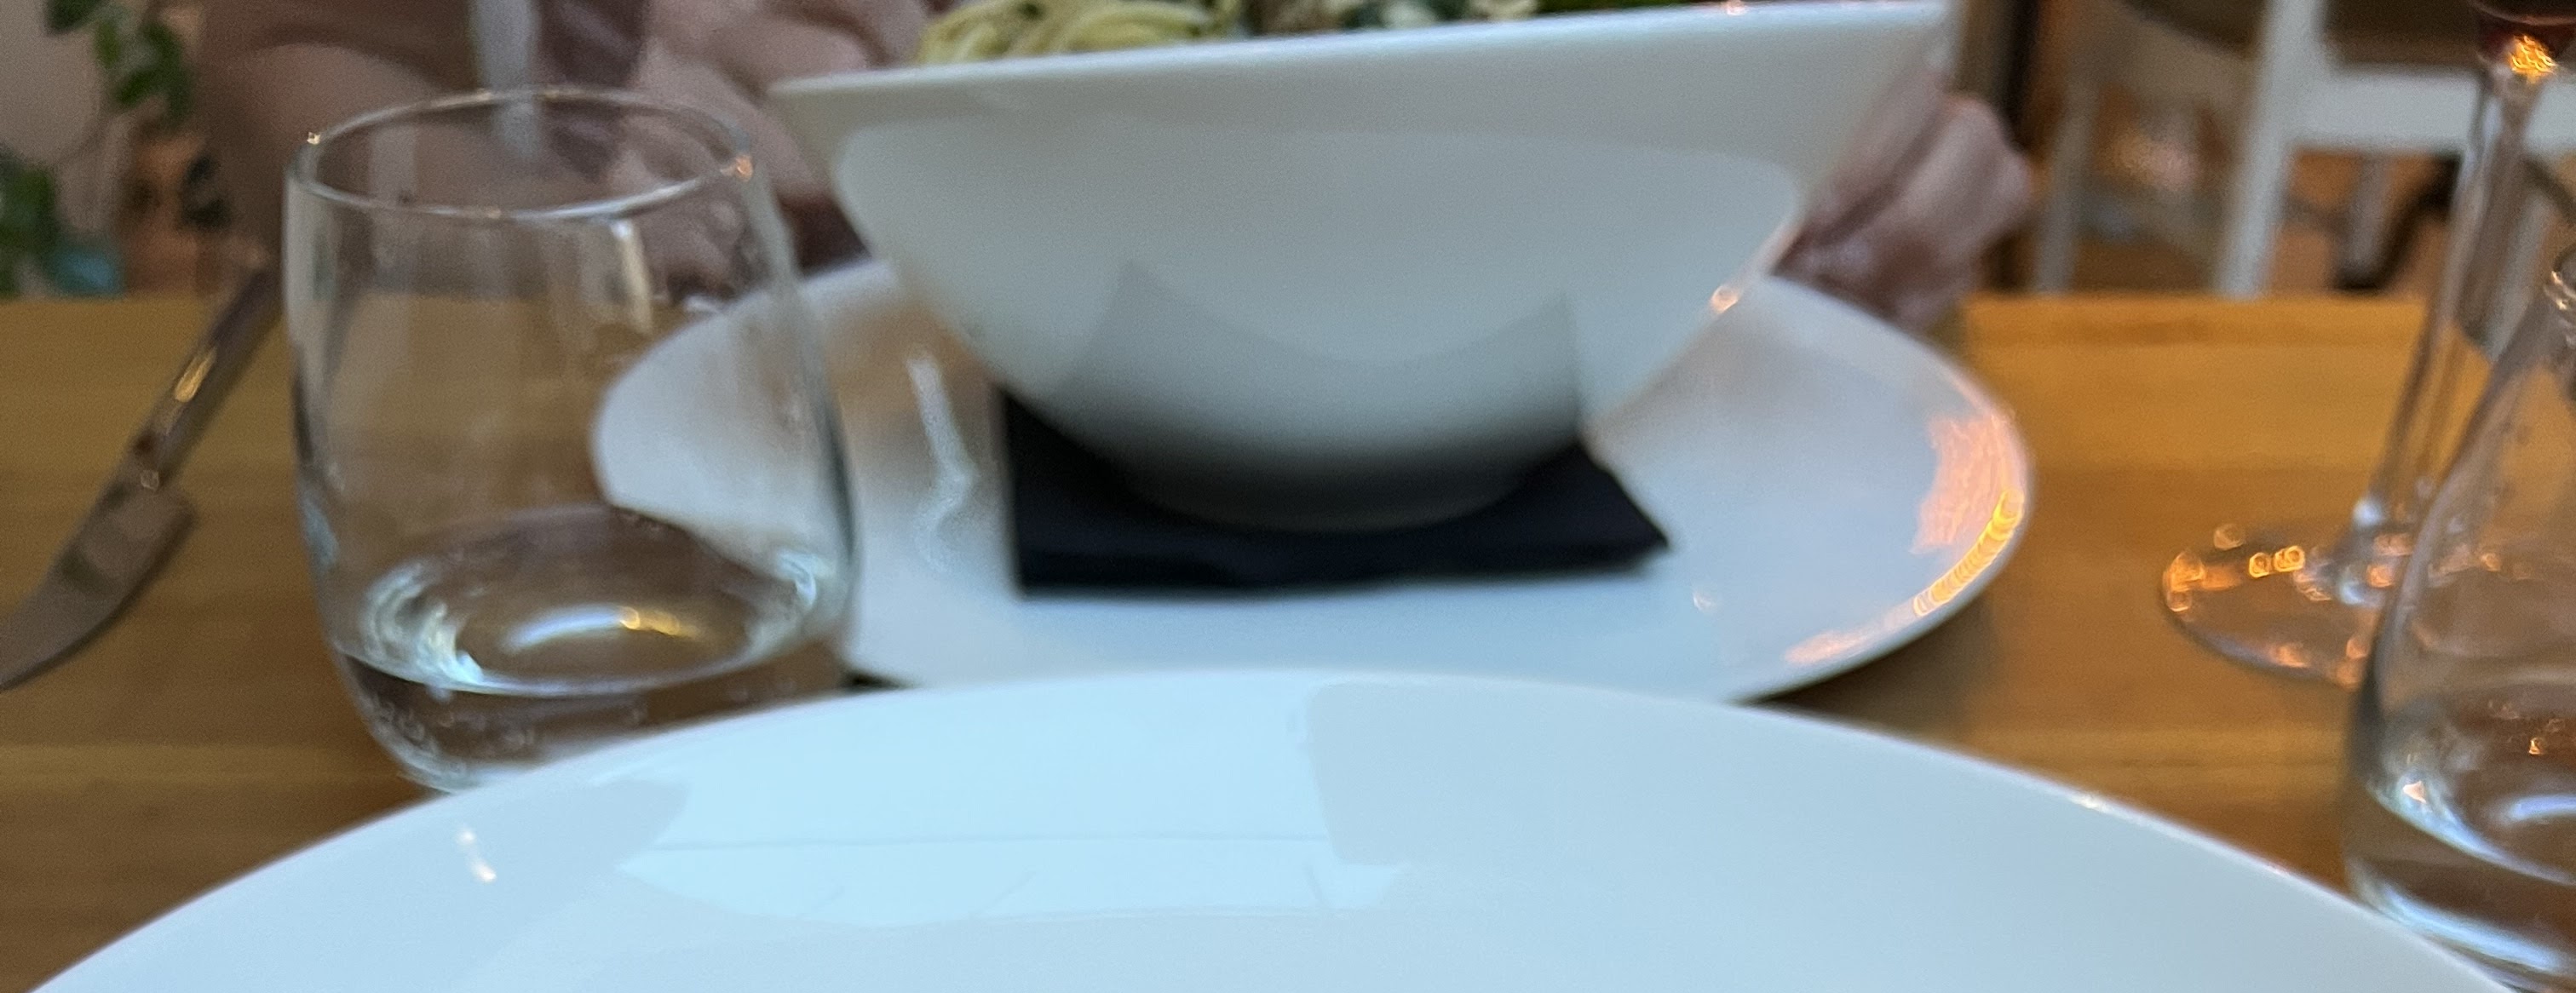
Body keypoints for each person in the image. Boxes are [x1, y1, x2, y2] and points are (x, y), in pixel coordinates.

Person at [199, 0, 2029, 329]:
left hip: (1601, 586)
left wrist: (1864, 175)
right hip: (776, 555)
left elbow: (1854, 93)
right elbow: (292, 55)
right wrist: (585, 235)